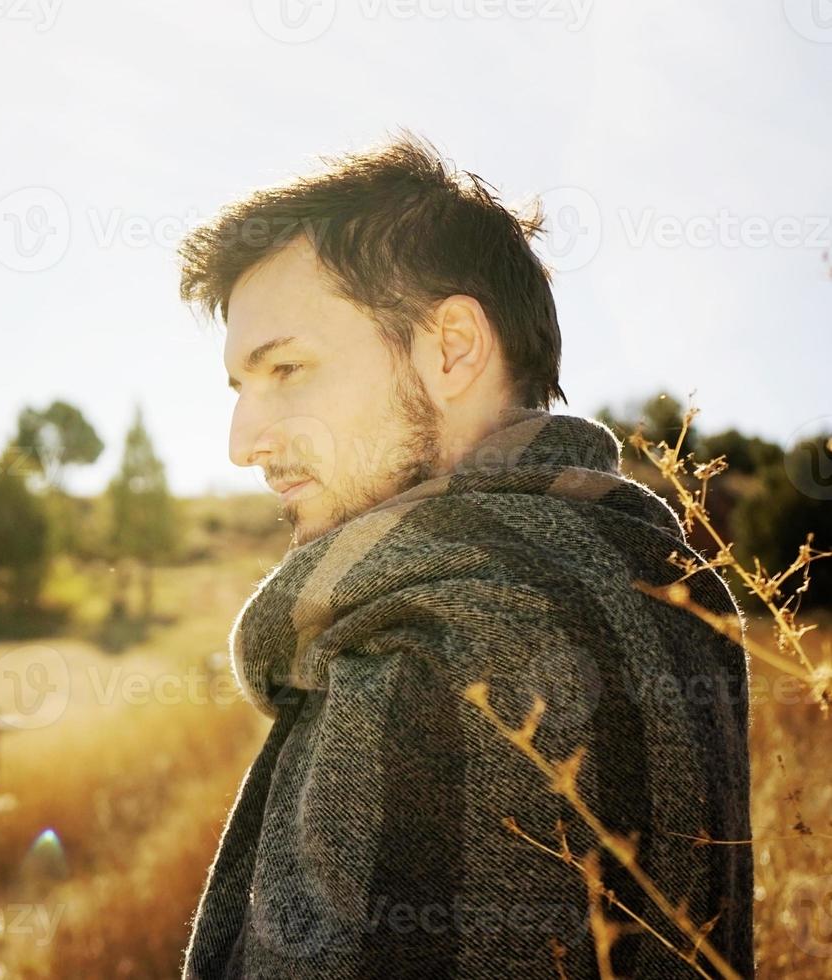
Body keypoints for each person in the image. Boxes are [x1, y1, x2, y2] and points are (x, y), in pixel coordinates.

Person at [177, 131, 754, 978]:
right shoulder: (682, 602)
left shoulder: (421, 646)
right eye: (239, 388)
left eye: (288, 370)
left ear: (450, 348)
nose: (243, 441)